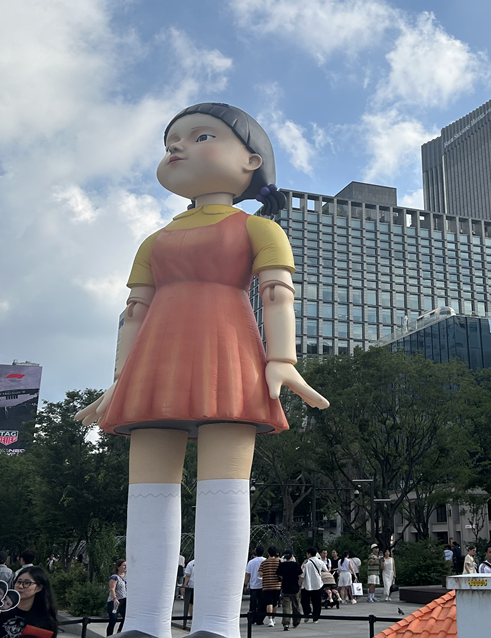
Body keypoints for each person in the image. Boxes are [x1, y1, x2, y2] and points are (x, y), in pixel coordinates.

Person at [74, 102, 329, 638]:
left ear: (251, 161)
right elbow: (133, 313)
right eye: (172, 141)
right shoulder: (153, 241)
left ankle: (216, 622)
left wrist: (283, 360)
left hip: (229, 352)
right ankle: (144, 621)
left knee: (224, 486)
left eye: (201, 136)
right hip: (154, 362)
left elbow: (277, 294)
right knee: (147, 491)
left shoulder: (260, 229)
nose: (178, 147)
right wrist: (119, 382)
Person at [0, 566, 58, 638]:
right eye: (18, 582)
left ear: (39, 588)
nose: (20, 586)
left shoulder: (45, 620)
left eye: (27, 583)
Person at [276, 551, 302, 631]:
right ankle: (296, 621)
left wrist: (282, 578)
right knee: (296, 606)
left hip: (285, 588)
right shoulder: (296, 565)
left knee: (286, 606)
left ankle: (286, 623)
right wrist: (299, 584)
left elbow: (278, 574)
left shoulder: (282, 565)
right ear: (292, 556)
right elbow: (300, 575)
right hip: (295, 588)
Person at [259, 547, 281, 627]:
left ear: (268, 553)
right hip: (277, 585)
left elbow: (260, 574)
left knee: (269, 603)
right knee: (275, 603)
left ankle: (270, 620)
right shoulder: (278, 562)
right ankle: (273, 618)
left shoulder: (264, 563)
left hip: (267, 585)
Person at [299, 549, 324, 622]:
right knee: (317, 602)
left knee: (304, 601)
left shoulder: (306, 563)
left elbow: (302, 574)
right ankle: (315, 617)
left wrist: (299, 584)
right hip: (318, 584)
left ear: (309, 554)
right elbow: (325, 569)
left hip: (307, 584)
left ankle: (307, 613)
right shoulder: (320, 562)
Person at [245, 547, 266, 626]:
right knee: (261, 603)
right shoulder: (265, 560)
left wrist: (245, 584)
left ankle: (252, 618)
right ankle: (259, 619)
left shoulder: (251, 562)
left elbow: (248, 574)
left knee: (253, 603)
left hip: (253, 585)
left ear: (256, 553)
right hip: (263, 585)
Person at [106, 559, 127, 636]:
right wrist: (114, 598)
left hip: (124, 600)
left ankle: (119, 632)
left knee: (126, 617)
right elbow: (112, 589)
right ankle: (109, 636)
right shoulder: (115, 577)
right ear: (118, 567)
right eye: (124, 565)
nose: (125, 567)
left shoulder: (127, 577)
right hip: (115, 601)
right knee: (113, 619)